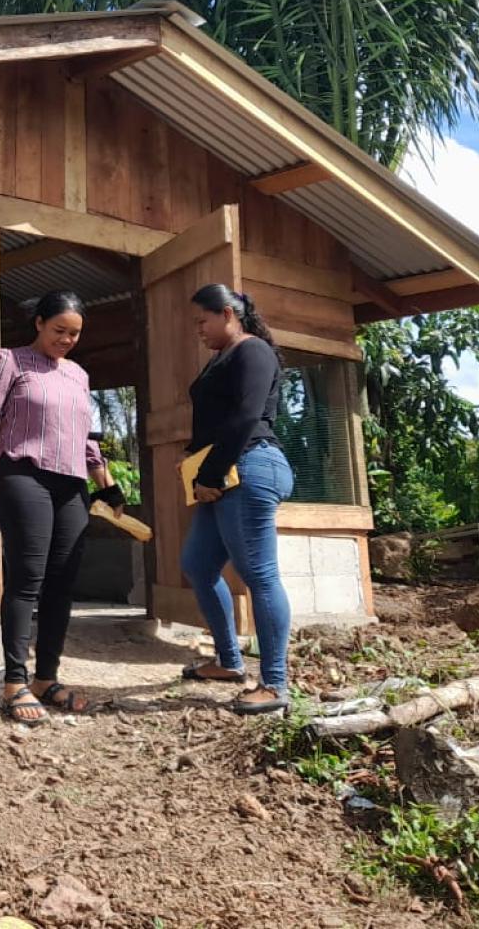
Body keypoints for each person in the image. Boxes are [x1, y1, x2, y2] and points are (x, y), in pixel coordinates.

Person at [0, 290, 113, 725]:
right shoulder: (9, 361)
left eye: (75, 334)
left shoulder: (79, 375)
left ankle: (47, 678)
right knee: (27, 579)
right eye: (59, 330)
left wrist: (107, 484)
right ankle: (14, 681)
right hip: (22, 475)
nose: (66, 339)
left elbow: (86, 436)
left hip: (71, 485)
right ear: (39, 324)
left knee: (62, 585)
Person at [179, 284, 295, 714]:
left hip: (249, 467)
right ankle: (230, 662)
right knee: (197, 564)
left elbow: (247, 416)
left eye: (202, 320)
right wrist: (198, 464)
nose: (198, 330)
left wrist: (209, 473)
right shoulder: (222, 358)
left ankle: (275, 683)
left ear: (227, 314)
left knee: (259, 574)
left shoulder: (253, 352)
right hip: (225, 470)